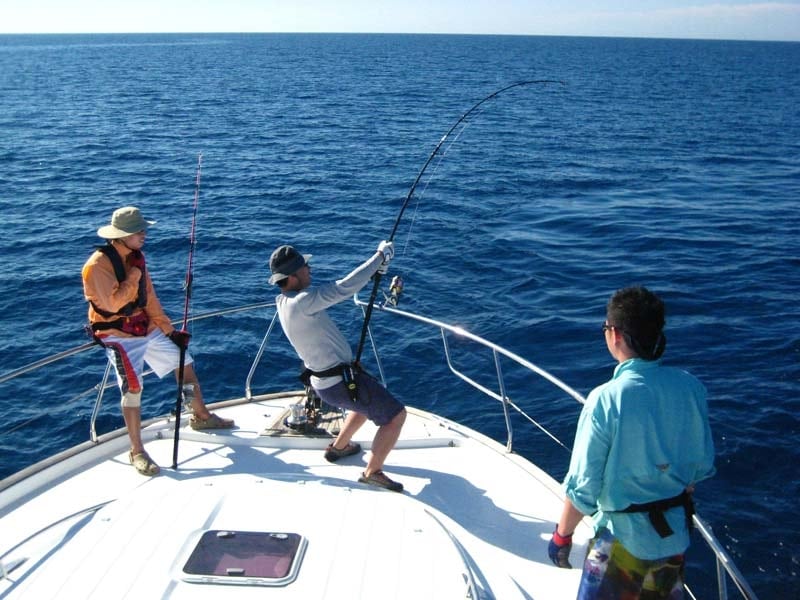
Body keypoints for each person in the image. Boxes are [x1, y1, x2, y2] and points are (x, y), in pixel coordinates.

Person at [548, 286, 715, 599]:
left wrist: (561, 537)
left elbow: (584, 488)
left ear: (616, 335)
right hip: (674, 542)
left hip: (620, 546)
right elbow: (700, 467)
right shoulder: (691, 387)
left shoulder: (605, 400)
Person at [82, 206, 233, 476]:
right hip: (117, 335)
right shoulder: (97, 267)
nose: (144, 234)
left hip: (142, 326)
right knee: (133, 388)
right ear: (121, 236)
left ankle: (200, 415)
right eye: (138, 230)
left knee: (183, 360)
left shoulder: (135, 258)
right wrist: (135, 274)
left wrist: (169, 331)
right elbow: (113, 303)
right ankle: (137, 451)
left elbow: (149, 300)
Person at [269, 241, 407, 492]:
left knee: (363, 404)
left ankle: (339, 447)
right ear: (292, 277)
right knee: (396, 416)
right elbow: (344, 288)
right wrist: (379, 257)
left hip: (326, 382)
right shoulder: (302, 301)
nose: (309, 269)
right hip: (339, 383)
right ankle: (373, 471)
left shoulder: (283, 301)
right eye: (304, 266)